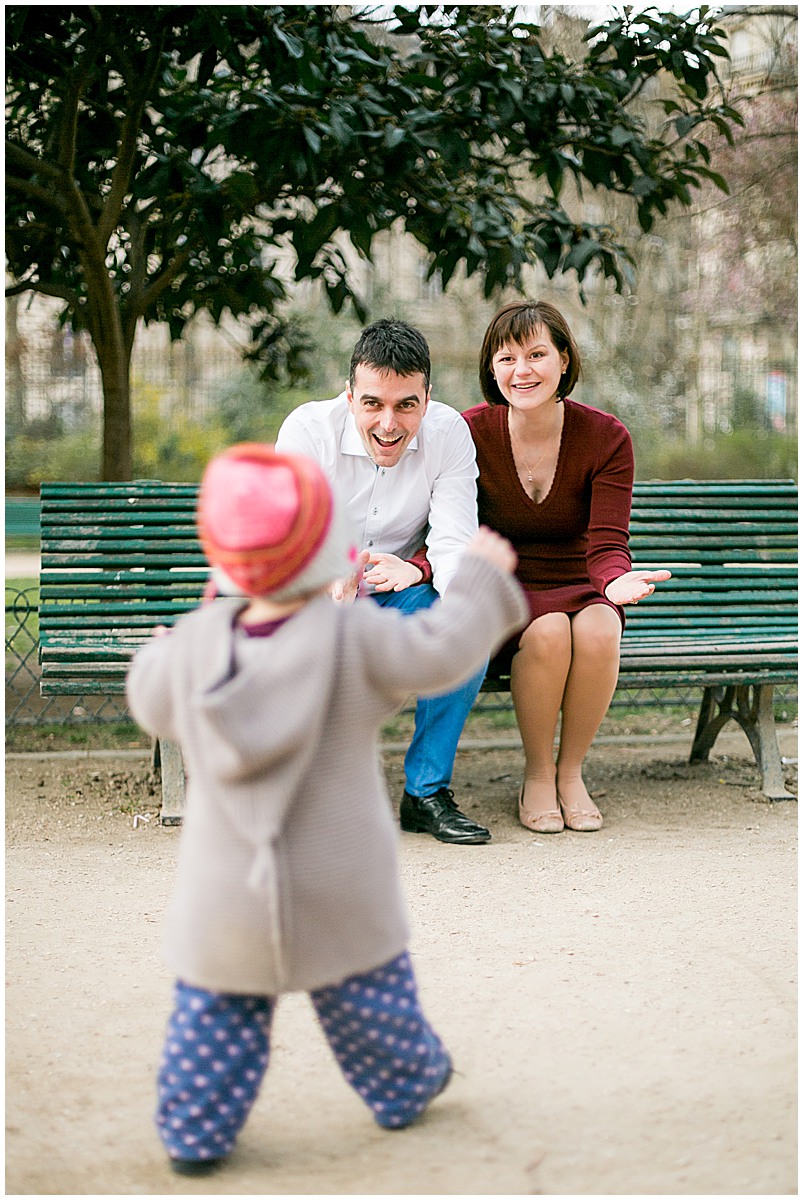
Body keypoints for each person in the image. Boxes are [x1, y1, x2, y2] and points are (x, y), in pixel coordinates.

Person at [126, 443, 527, 1177]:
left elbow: (151, 704)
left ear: (221, 553)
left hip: (227, 896)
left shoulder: (191, 648)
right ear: (328, 553)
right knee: (371, 1004)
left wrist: (156, 657)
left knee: (215, 1012)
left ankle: (193, 1130)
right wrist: (478, 585)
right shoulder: (354, 639)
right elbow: (441, 654)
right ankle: (405, 1085)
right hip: (338, 884)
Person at [276, 318, 492, 845]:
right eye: (372, 403)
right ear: (349, 396)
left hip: (398, 594)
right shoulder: (307, 431)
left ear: (427, 397)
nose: (388, 424)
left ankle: (425, 794)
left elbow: (453, 541)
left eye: (406, 405)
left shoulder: (448, 434)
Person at [463, 300, 670, 835]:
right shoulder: (467, 433)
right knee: (551, 631)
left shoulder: (606, 437)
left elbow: (605, 543)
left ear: (563, 360)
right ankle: (537, 775)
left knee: (600, 626)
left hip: (581, 579)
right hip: (506, 589)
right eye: (505, 358)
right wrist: (417, 566)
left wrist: (614, 579)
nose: (521, 370)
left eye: (536, 354)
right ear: (491, 368)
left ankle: (571, 772)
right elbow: (448, 526)